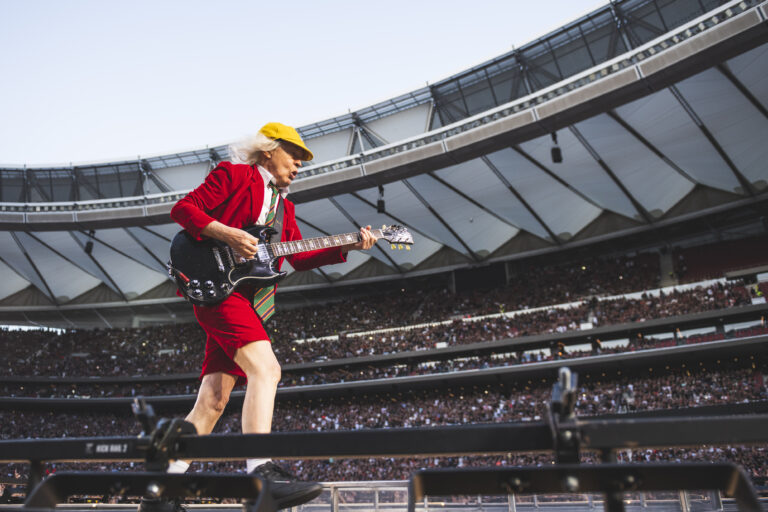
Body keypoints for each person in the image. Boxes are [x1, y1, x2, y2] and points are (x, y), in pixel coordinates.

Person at [149, 122, 377, 511]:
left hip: (244, 299)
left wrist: (350, 245)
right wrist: (228, 234)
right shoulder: (234, 174)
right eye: (295, 155)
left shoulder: (286, 207)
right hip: (219, 292)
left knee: (213, 401)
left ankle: (160, 491)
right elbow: (182, 210)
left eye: (303, 159)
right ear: (269, 150)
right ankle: (261, 473)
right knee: (267, 370)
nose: (300, 164)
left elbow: (298, 256)